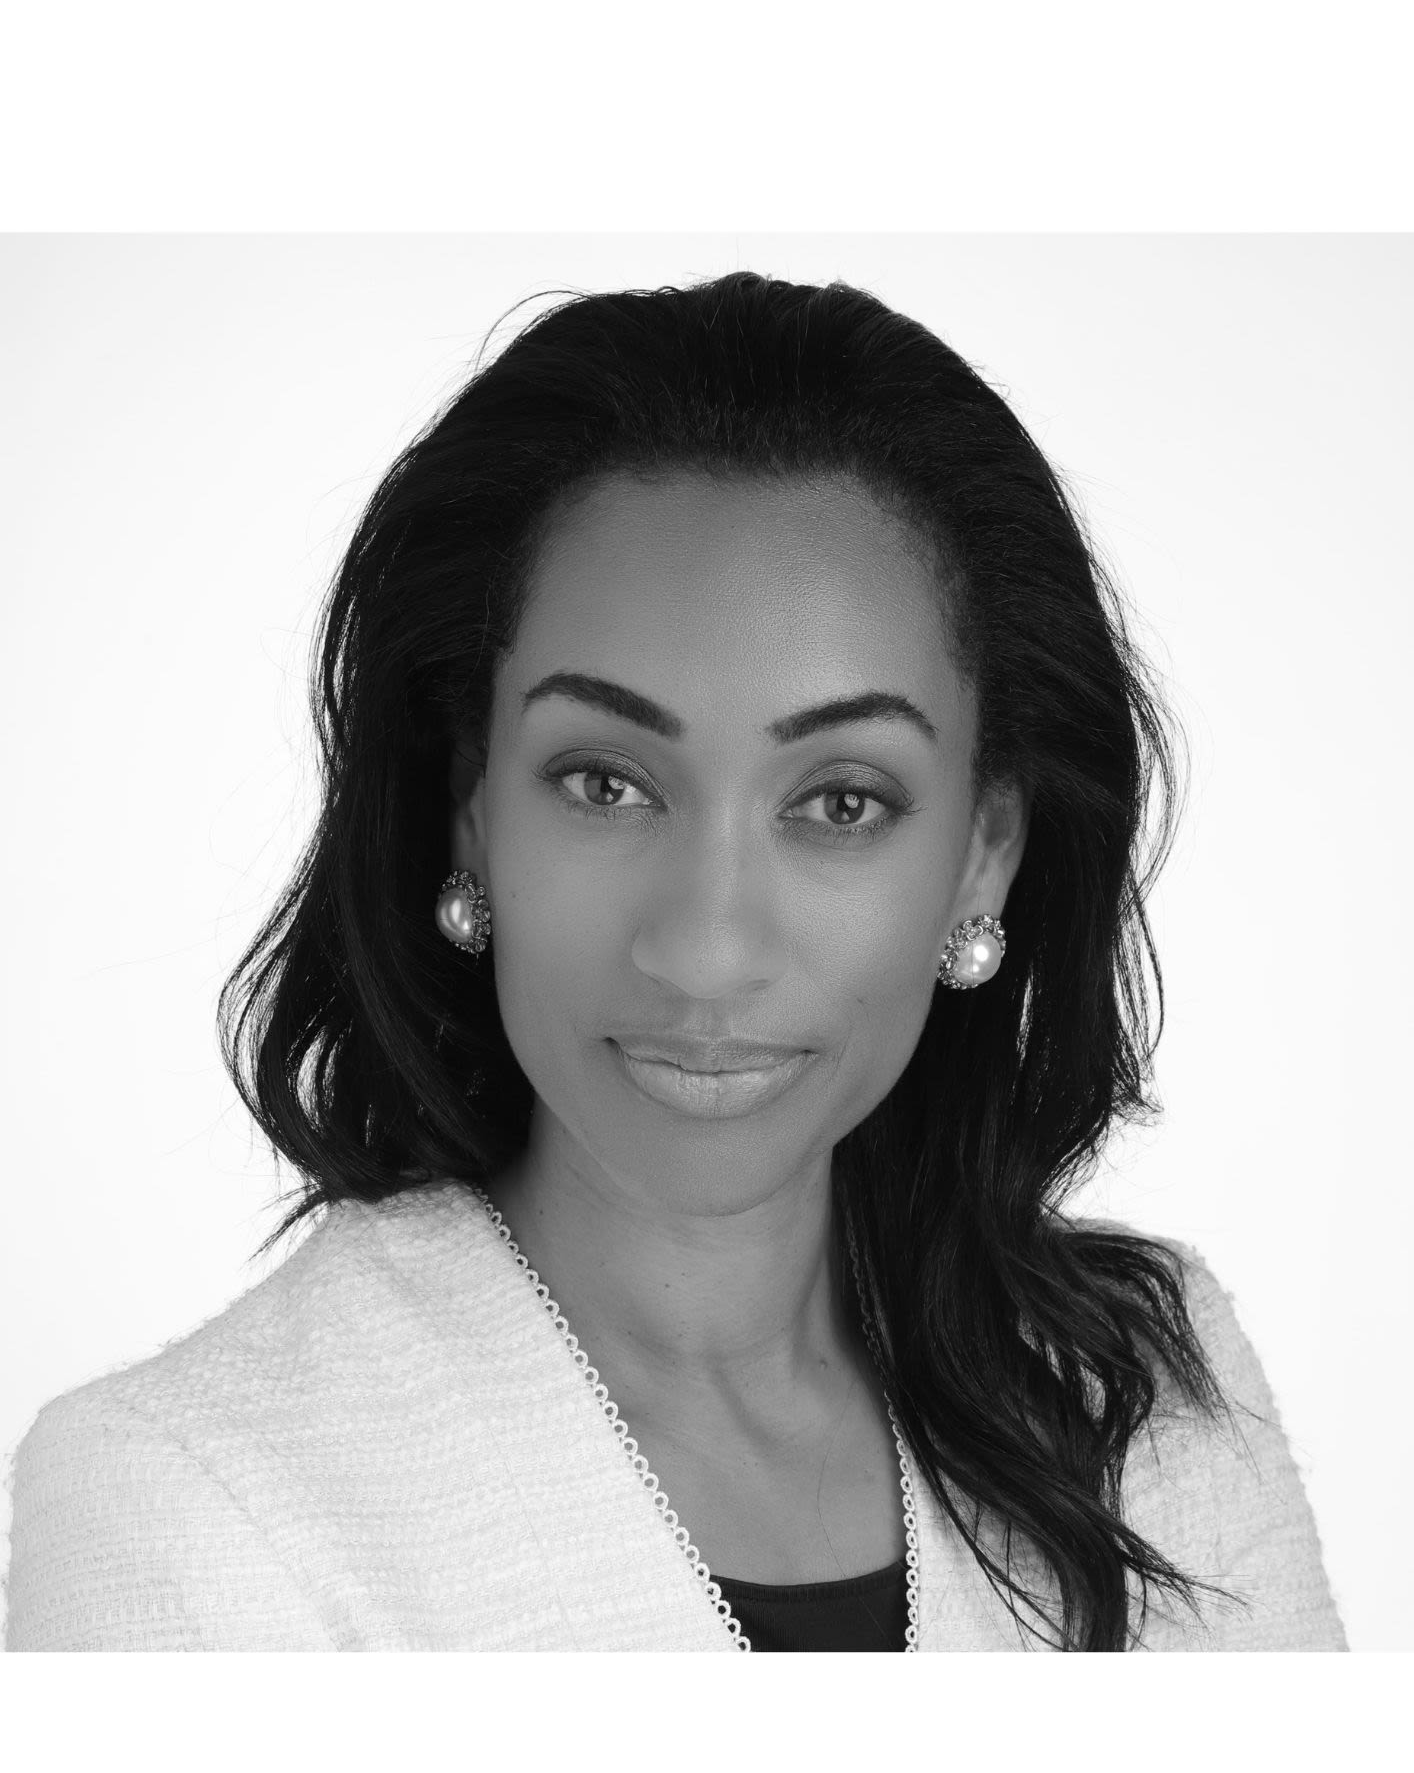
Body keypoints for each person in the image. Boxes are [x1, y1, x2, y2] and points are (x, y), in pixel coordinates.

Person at [3, 271, 1346, 1652]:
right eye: (606, 783)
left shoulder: (1150, 1408)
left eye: (840, 802)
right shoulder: (181, 1503)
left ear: (983, 852)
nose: (705, 950)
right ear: (471, 807)